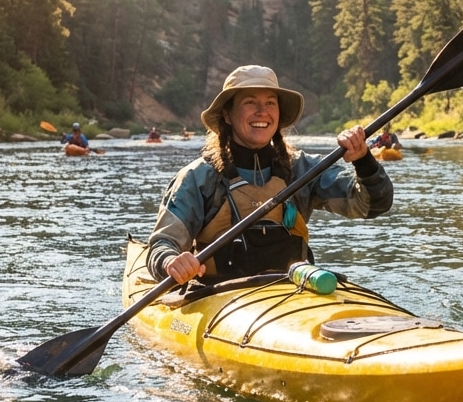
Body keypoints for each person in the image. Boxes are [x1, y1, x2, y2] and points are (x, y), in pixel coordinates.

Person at [147, 65, 394, 285]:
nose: (262, 112)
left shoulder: (303, 170)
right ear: (227, 115)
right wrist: (171, 262)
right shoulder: (198, 178)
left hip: (293, 292)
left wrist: (363, 160)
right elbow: (162, 245)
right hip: (219, 297)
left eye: (270, 103)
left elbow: (371, 205)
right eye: (250, 102)